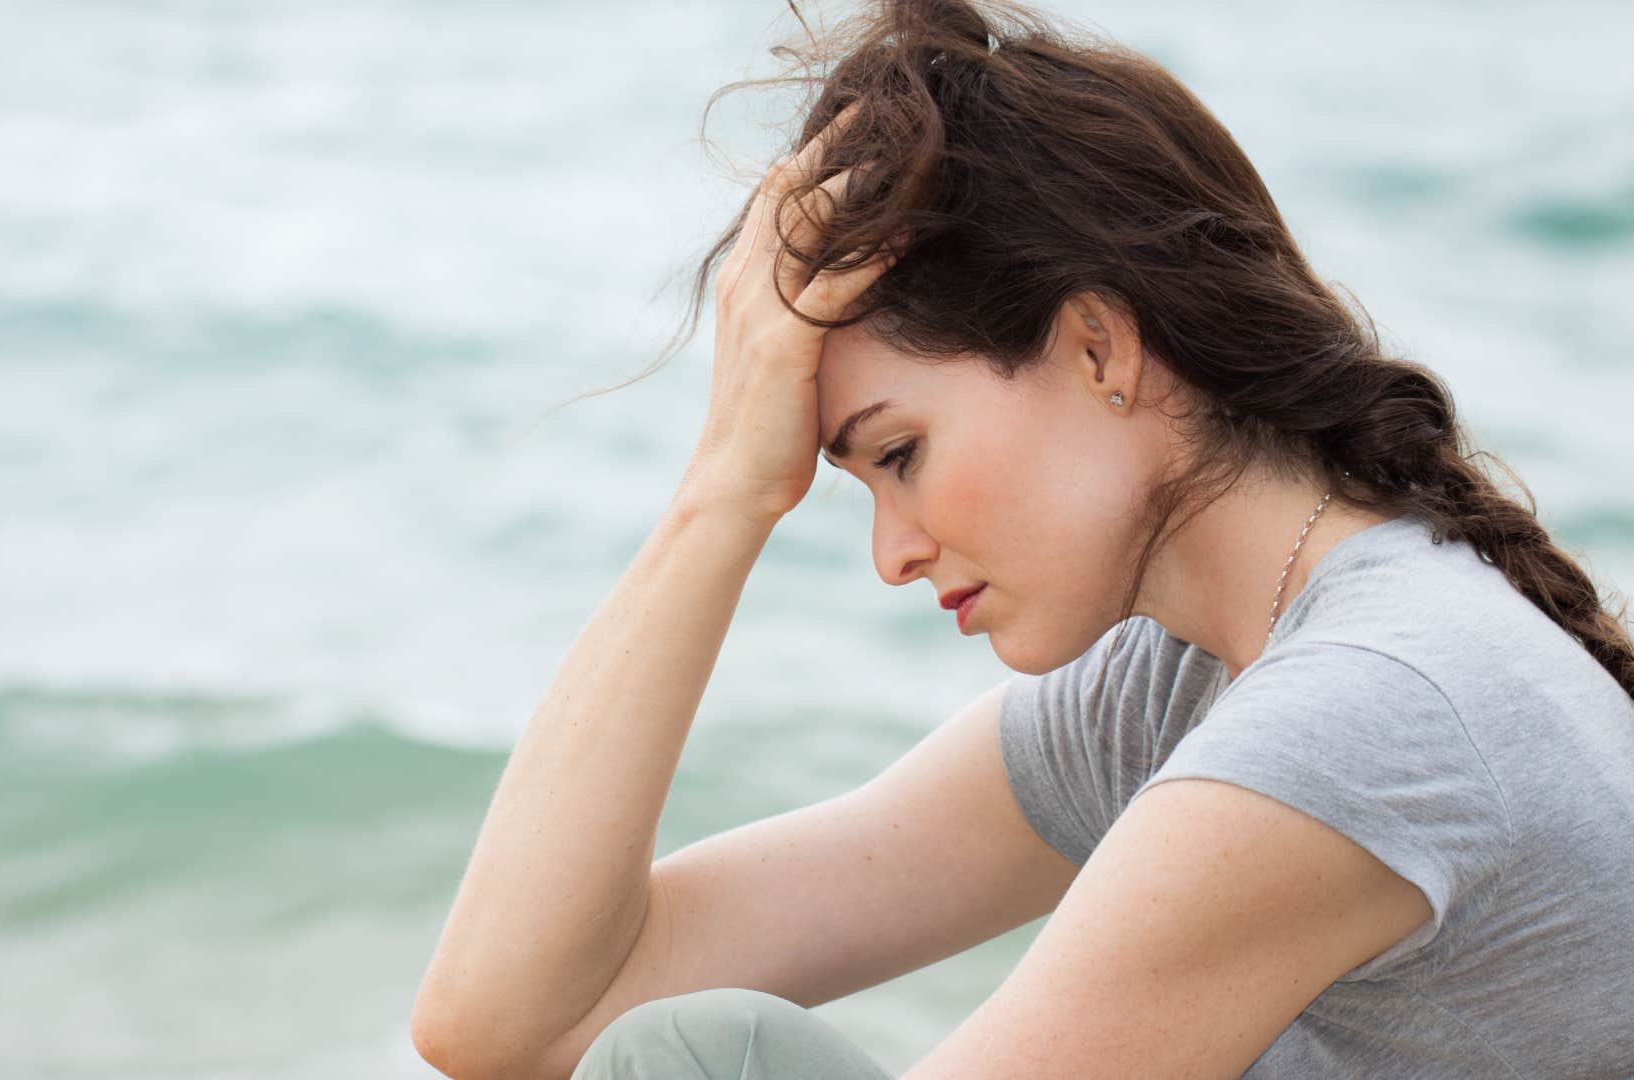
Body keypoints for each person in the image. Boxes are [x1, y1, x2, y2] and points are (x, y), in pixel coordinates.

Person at [410, 1, 1634, 1076]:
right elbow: (511, 1023)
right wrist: (724, 492)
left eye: (900, 455)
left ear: (1099, 347)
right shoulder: (1186, 687)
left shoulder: (1365, 712)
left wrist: (725, 488)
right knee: (673, 1048)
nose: (891, 552)